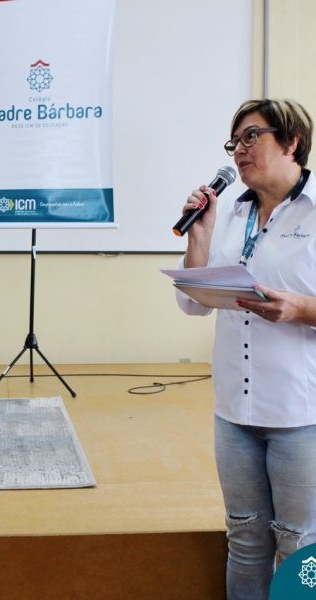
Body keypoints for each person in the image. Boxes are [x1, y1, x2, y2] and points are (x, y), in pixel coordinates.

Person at [176, 98, 316, 599]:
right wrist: (200, 236)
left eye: (252, 137)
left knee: (299, 545)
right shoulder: (233, 214)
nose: (239, 150)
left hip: (300, 414)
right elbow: (193, 303)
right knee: (245, 539)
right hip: (235, 412)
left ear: (292, 141)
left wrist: (300, 308)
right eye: (234, 142)